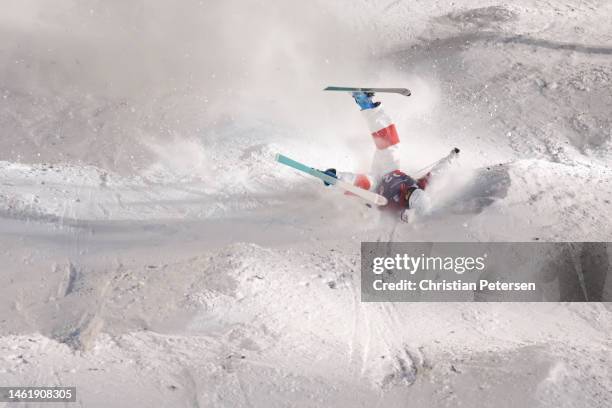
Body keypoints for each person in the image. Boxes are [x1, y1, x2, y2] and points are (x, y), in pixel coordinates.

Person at [322, 91, 459, 222]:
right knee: (391, 144)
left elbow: (402, 218)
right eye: (411, 190)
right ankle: (367, 105)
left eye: (408, 196)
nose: (407, 191)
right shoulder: (420, 185)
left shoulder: (398, 208)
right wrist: (452, 157)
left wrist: (372, 207)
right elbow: (438, 172)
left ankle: (335, 178)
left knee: (364, 183)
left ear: (408, 204)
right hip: (390, 169)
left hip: (376, 185)